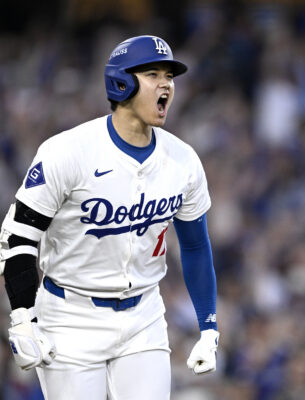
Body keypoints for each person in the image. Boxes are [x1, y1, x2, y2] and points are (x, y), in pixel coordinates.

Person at [0, 35, 219, 400]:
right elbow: (20, 236)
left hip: (144, 315)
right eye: (153, 73)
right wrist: (22, 314)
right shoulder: (68, 152)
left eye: (170, 76)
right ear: (122, 82)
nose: (166, 84)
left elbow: (196, 245)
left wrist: (208, 326)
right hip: (70, 317)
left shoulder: (183, 161)